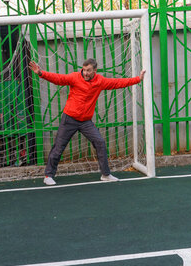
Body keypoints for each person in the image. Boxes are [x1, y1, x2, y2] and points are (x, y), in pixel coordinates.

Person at [29, 58, 146, 186]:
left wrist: (138, 79)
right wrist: (41, 73)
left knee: (100, 142)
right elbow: (59, 79)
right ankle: (48, 175)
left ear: (95, 70)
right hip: (69, 119)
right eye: (84, 70)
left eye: (88, 70)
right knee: (58, 147)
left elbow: (117, 82)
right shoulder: (74, 77)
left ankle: (106, 174)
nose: (85, 73)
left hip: (85, 122)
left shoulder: (100, 81)